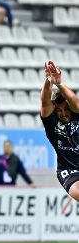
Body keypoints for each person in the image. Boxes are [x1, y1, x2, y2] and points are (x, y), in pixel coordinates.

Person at [41, 61, 79, 198]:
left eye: (66, 109)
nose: (63, 113)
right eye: (59, 110)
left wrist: (59, 84)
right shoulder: (51, 123)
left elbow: (75, 102)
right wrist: (49, 81)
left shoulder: (77, 114)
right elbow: (45, 103)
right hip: (69, 170)